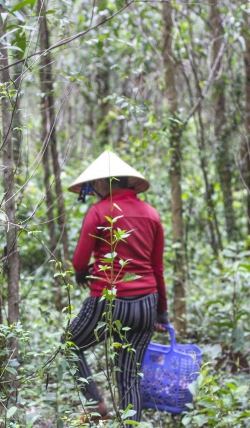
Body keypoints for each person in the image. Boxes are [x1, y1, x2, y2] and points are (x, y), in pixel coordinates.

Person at [65, 150, 169, 423]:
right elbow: (157, 268)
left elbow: (79, 261)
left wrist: (80, 273)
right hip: (147, 303)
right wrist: (162, 313)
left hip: (108, 300)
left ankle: (96, 403)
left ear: (104, 183)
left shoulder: (99, 211)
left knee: (69, 344)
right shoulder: (151, 214)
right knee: (130, 376)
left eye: (97, 184)